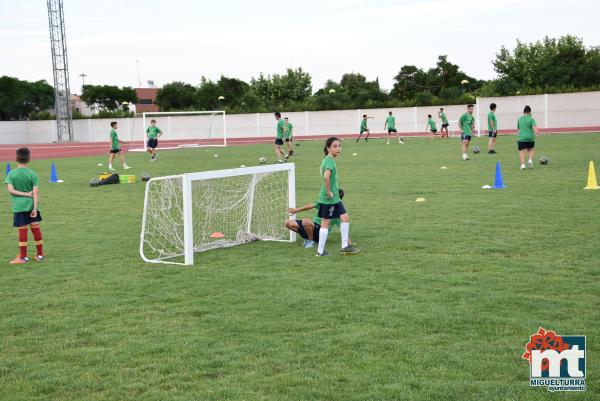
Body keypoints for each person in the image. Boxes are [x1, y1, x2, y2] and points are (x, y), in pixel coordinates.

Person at [316, 137, 359, 256]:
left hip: (334, 198)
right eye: (335, 146)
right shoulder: (329, 160)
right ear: (328, 148)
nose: (338, 148)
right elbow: (326, 177)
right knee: (325, 223)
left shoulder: (328, 159)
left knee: (344, 218)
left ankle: (345, 246)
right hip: (329, 198)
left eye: (339, 146)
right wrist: (329, 191)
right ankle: (320, 251)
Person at [4, 148, 44, 264]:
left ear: (16, 158)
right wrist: (35, 208)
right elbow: (35, 193)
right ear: (29, 159)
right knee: (35, 228)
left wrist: (24, 194)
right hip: (32, 205)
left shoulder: (11, 174)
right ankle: (40, 255)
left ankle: (23, 257)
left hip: (19, 207)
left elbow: (11, 191)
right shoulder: (33, 174)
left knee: (23, 230)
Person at [517, 105, 539, 170]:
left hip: (522, 138)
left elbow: (518, 130)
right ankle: (530, 160)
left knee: (522, 151)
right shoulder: (531, 119)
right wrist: (536, 132)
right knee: (530, 149)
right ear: (529, 112)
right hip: (530, 138)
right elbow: (534, 127)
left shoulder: (519, 119)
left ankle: (523, 164)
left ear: (524, 112)